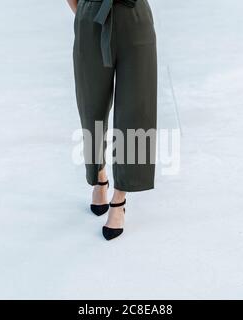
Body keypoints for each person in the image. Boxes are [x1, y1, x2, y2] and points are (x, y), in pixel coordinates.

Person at [67, 0, 157, 240]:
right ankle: (99, 175)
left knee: (136, 111)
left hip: (135, 17)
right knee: (90, 105)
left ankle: (120, 197)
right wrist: (86, 12)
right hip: (91, 17)